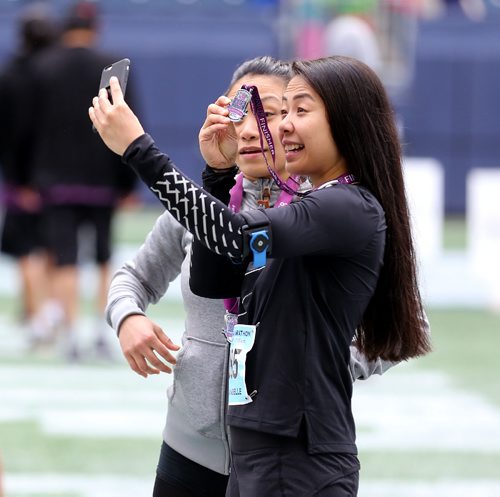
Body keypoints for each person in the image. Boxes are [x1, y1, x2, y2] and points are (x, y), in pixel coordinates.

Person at [90, 55, 431, 496]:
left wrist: (325, 364)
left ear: (342, 121)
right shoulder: (212, 208)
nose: (256, 129)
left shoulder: (337, 208)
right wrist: (213, 175)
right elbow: (214, 281)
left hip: (291, 448)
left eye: (285, 112)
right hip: (226, 446)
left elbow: (233, 238)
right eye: (239, 114)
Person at [30, 1, 138, 360]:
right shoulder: (113, 71)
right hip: (103, 180)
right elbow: (128, 126)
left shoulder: (42, 67)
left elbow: (24, 131)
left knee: (65, 258)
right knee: (105, 256)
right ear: (96, 28)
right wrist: (128, 183)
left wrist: (24, 179)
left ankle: (71, 335)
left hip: (55, 181)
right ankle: (102, 333)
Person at [0, 3, 57, 341]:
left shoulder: (11, 76)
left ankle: (38, 315)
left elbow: (8, 134)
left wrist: (17, 178)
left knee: (26, 249)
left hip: (23, 176)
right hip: (58, 176)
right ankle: (42, 310)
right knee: (50, 246)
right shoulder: (55, 74)